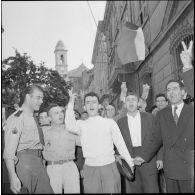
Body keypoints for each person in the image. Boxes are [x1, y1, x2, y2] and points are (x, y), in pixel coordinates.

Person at [65, 90, 134, 193]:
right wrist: (71, 103)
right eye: (88, 102)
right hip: (90, 168)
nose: (91, 105)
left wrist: (130, 163)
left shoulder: (110, 123)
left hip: (109, 167)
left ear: (99, 106)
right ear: (84, 107)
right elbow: (69, 125)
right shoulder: (81, 124)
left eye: (94, 102)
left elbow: (121, 145)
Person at [134, 79, 194, 193]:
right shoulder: (162, 114)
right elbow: (155, 139)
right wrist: (142, 156)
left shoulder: (192, 111)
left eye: (175, 89)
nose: (171, 92)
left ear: (182, 92)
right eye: (168, 90)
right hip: (171, 167)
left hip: (190, 166)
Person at [3, 85, 54, 194]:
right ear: (27, 97)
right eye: (38, 97)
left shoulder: (32, 117)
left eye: (42, 98)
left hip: (38, 163)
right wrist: (12, 176)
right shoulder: (18, 117)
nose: (41, 101)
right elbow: (9, 150)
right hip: (24, 164)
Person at [117, 91, 159, 193]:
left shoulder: (150, 117)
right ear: (125, 104)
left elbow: (158, 139)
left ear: (138, 103)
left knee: (151, 190)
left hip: (149, 159)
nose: (131, 102)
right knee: (133, 190)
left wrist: (160, 158)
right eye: (128, 100)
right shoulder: (120, 122)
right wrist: (128, 159)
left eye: (133, 100)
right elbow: (118, 144)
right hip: (130, 161)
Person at [42, 103, 80, 193]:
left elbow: (87, 142)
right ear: (49, 118)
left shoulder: (71, 129)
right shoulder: (43, 132)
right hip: (52, 168)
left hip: (70, 167)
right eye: (56, 113)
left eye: (61, 112)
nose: (60, 114)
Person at [155, 93, 169, 193]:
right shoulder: (155, 116)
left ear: (167, 102)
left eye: (162, 101)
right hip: (159, 153)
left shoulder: (171, 115)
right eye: (158, 101)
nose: (160, 103)